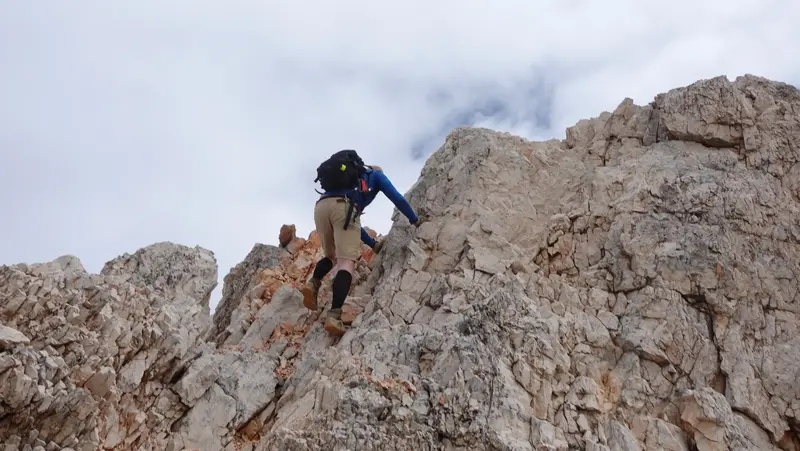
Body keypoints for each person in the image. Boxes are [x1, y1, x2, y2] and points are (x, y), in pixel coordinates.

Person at [302, 151, 425, 335]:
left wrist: (373, 245)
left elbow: (353, 225)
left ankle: (313, 284)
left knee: (331, 256)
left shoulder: (349, 184)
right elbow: (397, 198)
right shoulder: (377, 177)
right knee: (346, 263)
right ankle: (334, 316)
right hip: (341, 207)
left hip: (321, 206)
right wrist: (415, 220)